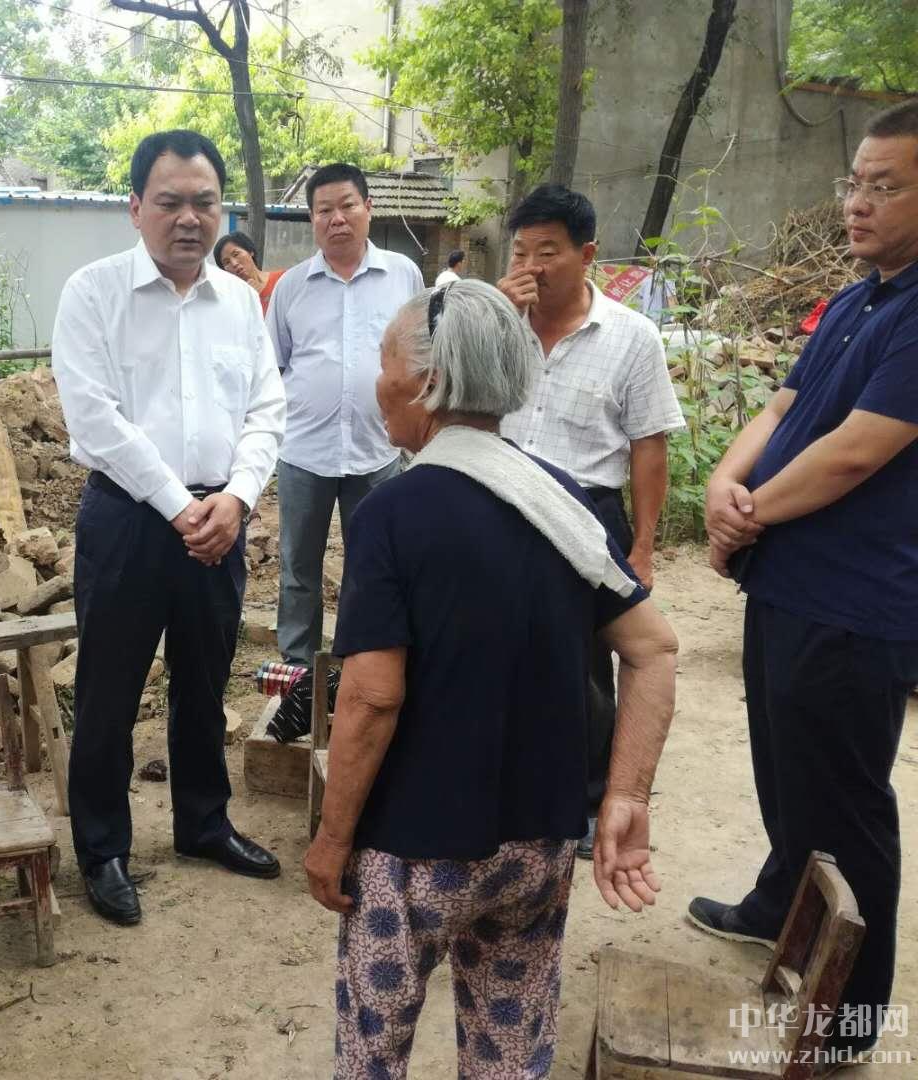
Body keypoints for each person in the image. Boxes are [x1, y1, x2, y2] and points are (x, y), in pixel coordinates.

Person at [304, 280, 679, 1080]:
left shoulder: (392, 515)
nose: (378, 383)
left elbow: (372, 697)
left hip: (413, 855)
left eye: (385, 364)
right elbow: (654, 649)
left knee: (373, 1050)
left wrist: (332, 839)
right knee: (509, 1053)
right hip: (537, 849)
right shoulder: (561, 503)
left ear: (428, 384)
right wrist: (627, 795)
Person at [691, 99, 918, 1065]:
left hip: (856, 603)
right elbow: (784, 406)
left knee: (847, 803)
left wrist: (749, 513)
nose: (857, 203)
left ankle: (852, 1016)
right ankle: (780, 904)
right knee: (786, 768)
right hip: (790, 583)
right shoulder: (860, 297)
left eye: (884, 187)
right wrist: (724, 482)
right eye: (854, 183)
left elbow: (860, 451)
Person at [51, 130, 287, 927]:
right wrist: (176, 505)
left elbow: (267, 408)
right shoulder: (94, 293)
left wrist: (239, 497)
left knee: (204, 680)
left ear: (221, 211)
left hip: (219, 519)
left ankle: (203, 823)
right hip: (128, 518)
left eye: (205, 203)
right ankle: (103, 848)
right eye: (171, 202)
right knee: (110, 689)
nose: (190, 218)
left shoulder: (240, 303)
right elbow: (94, 418)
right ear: (135, 208)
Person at [496, 184, 683, 858]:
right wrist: (497, 317)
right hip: (501, 504)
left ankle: (586, 799)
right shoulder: (496, 325)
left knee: (584, 671)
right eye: (521, 251)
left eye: (548, 251)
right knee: (498, 651)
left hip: (588, 514)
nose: (532, 266)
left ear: (587, 255)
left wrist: (643, 547)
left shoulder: (632, 338)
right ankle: (506, 784)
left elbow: (648, 448)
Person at [265, 162, 425, 667]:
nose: (337, 218)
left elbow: (419, 355)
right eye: (324, 210)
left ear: (368, 208)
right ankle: (298, 668)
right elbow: (273, 367)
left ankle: (364, 662)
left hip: (378, 451)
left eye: (347, 206)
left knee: (372, 565)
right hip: (303, 453)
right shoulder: (291, 286)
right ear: (312, 219)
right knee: (298, 567)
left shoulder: (403, 275)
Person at [215, 230, 285, 313]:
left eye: (236, 254)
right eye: (227, 262)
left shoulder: (282, 279)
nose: (234, 263)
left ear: (250, 251)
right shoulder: (232, 301)